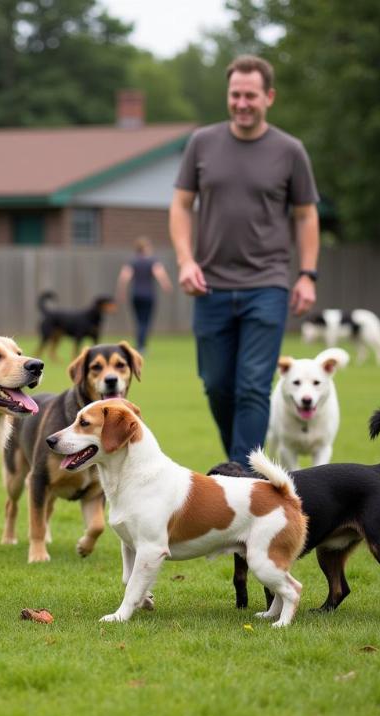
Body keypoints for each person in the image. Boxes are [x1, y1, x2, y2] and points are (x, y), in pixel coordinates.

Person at [169, 54, 319, 467]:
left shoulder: (290, 151)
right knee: (217, 384)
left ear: (268, 96)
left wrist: (307, 275)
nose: (242, 103)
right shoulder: (202, 142)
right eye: (235, 95)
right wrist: (185, 260)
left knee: (253, 386)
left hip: (266, 285)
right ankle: (243, 462)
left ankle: (241, 475)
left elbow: (306, 215)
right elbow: (181, 206)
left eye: (250, 95)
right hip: (210, 285)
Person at [115, 236, 173, 353]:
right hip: (148, 295)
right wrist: (166, 285)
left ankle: (140, 344)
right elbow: (160, 274)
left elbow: (124, 277)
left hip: (135, 295)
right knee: (145, 321)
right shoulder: (152, 261)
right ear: (146, 248)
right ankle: (141, 346)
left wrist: (121, 292)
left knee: (138, 321)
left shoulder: (132, 262)